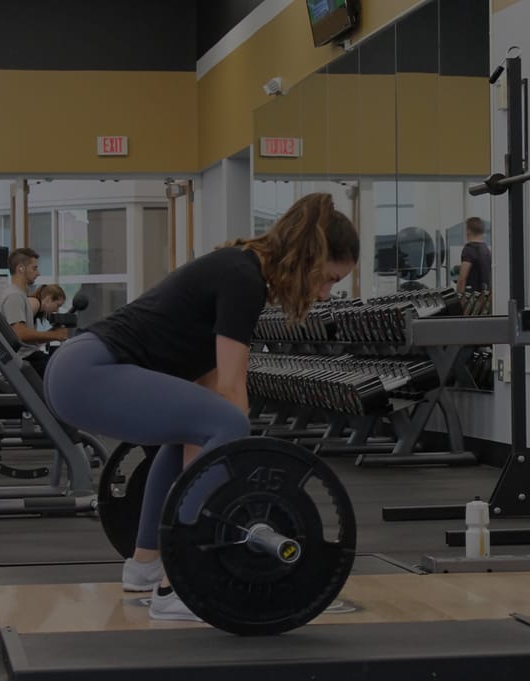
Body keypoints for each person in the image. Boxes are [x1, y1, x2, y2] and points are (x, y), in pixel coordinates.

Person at [43, 192, 359, 622]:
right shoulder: (243, 277)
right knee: (225, 421)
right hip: (88, 370)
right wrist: (245, 480)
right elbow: (231, 392)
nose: (324, 294)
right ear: (307, 257)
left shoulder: (240, 271)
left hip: (78, 370)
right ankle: (182, 582)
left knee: (195, 430)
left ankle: (145, 567)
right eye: (329, 279)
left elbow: (209, 388)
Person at [0, 248, 69, 376]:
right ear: (21, 268)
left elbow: (25, 337)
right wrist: (55, 335)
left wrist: (50, 334)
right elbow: (19, 334)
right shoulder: (14, 296)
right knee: (67, 371)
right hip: (25, 360)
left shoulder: (20, 295)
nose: (38, 273)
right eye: (34, 268)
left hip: (30, 356)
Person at [456, 217, 492, 293]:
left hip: (472, 298)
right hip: (485, 297)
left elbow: (462, 278)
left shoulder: (469, 249)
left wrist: (459, 298)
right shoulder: (486, 250)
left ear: (468, 231)